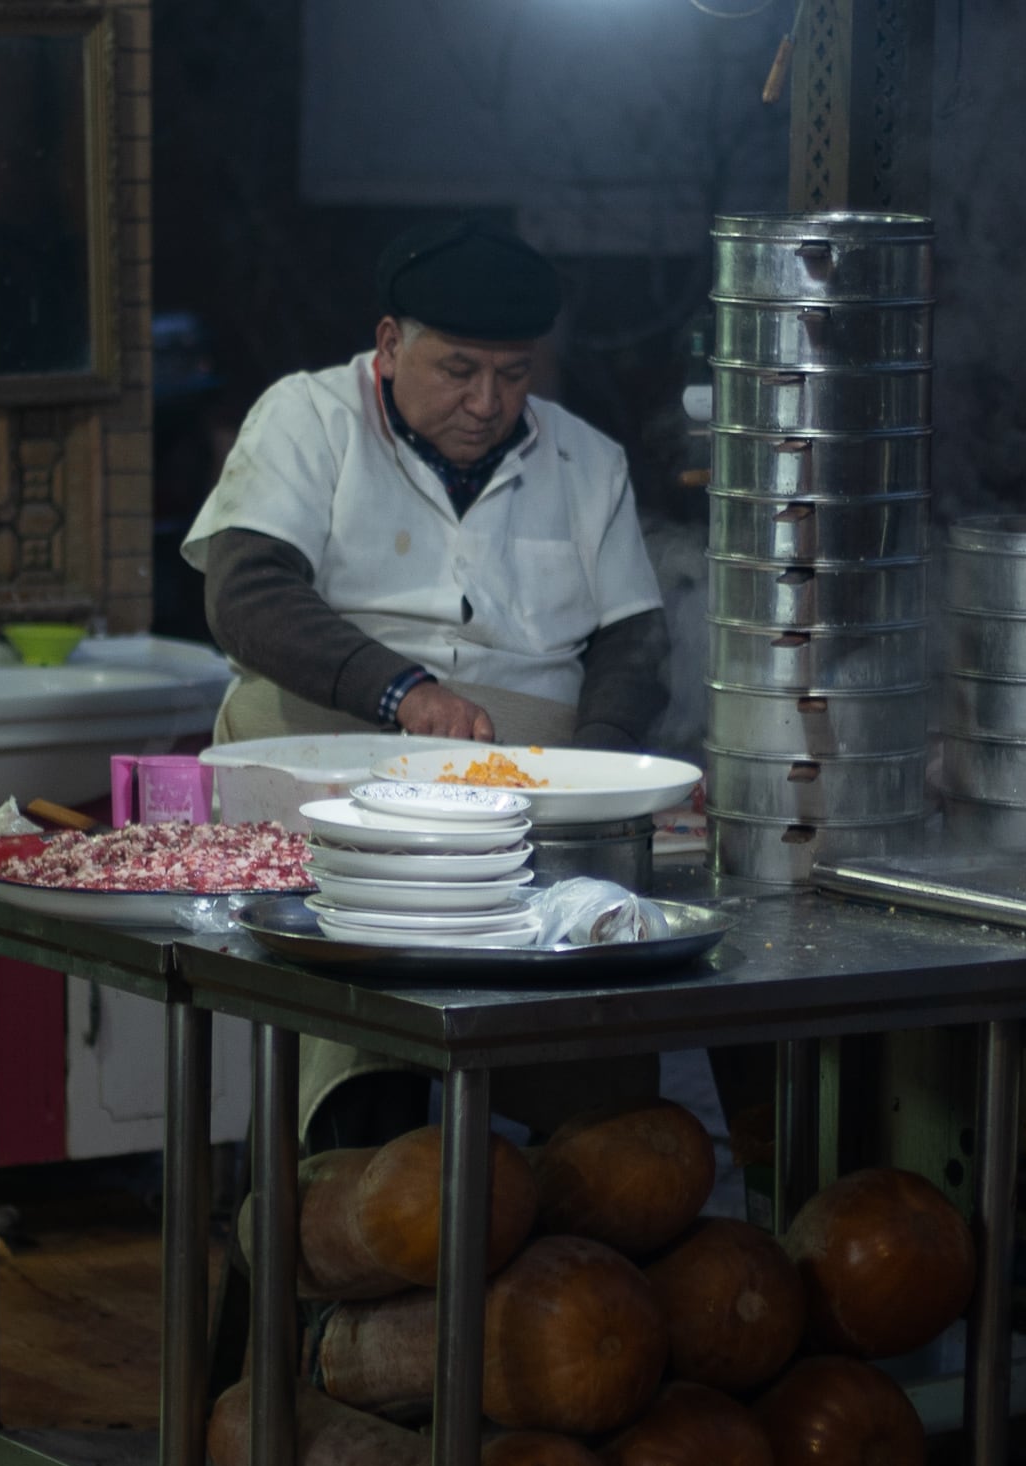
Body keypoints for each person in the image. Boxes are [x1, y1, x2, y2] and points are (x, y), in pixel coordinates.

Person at [182, 220, 672, 1144]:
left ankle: (547, 1240)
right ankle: (316, 1224)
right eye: (458, 370)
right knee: (356, 1062)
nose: (489, 401)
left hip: (526, 807)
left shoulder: (586, 462)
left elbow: (633, 647)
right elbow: (246, 594)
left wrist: (599, 782)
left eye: (514, 373)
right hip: (331, 778)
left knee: (594, 1085)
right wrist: (402, 691)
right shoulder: (307, 418)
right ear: (390, 344)